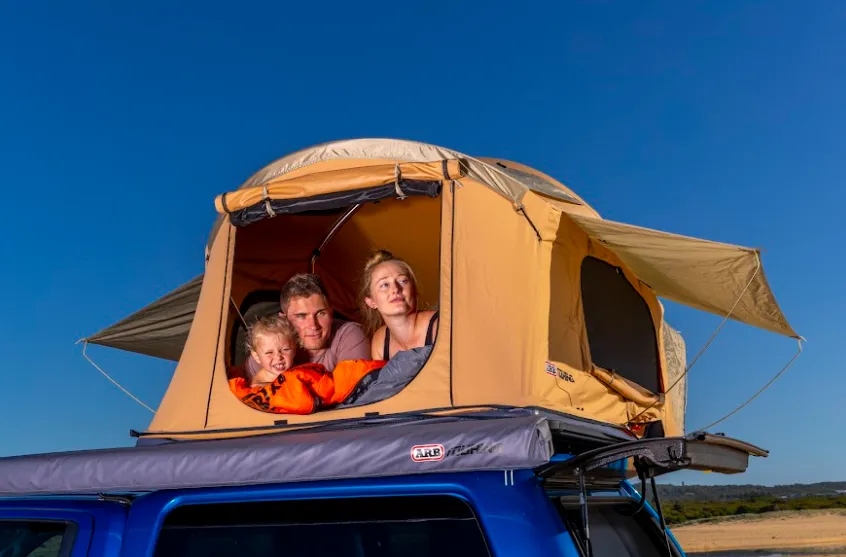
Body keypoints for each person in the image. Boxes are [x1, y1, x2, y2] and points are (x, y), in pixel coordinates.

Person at [244, 273, 370, 377]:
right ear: (285, 320)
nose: (313, 326)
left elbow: (353, 396)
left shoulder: (348, 336)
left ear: (331, 311)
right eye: (301, 316)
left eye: (321, 313)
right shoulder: (272, 349)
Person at [360, 250, 439, 360]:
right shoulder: (380, 342)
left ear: (413, 289)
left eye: (403, 281)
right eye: (385, 285)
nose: (396, 289)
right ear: (371, 302)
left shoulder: (439, 325)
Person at [244, 314, 297, 387]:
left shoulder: (299, 371)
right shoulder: (258, 388)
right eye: (269, 352)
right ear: (257, 357)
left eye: (285, 349)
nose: (278, 357)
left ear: (294, 350)